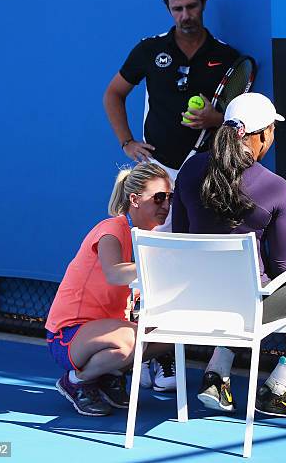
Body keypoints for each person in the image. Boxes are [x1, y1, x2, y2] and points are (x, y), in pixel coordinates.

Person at [172, 93, 286, 417]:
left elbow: (179, 235)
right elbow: (285, 264)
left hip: (191, 302)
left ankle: (217, 376)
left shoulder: (189, 169)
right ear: (263, 134)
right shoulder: (276, 187)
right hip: (245, 308)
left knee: (243, 296)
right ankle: (277, 389)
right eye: (272, 131)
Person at [45, 163, 176, 416]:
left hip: (110, 332)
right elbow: (115, 272)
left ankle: (108, 376)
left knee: (172, 333)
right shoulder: (112, 229)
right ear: (135, 199)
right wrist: (163, 263)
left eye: (169, 197)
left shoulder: (147, 238)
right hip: (68, 336)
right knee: (130, 341)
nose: (166, 205)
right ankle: (76, 381)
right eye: (159, 197)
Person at [103, 0, 240, 182]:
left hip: (209, 169)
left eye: (191, 6)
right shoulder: (149, 49)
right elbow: (113, 93)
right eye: (177, 9)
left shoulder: (227, 56)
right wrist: (127, 142)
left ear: (204, 1)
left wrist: (216, 119)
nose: (185, 16)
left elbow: (238, 120)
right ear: (168, 8)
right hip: (158, 170)